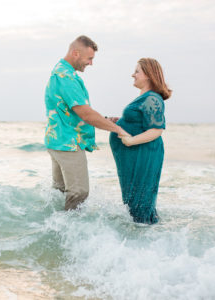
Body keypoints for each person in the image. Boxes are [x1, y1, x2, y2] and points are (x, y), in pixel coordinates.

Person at [44, 35, 129, 211]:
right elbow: (85, 114)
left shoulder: (62, 73)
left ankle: (54, 231)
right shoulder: (65, 77)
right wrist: (118, 130)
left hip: (58, 140)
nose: (91, 63)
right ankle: (71, 234)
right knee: (79, 193)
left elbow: (71, 112)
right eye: (89, 58)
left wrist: (104, 120)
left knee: (60, 193)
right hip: (68, 143)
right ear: (75, 53)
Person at [109, 58, 172, 224]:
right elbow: (141, 123)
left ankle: (145, 244)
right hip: (135, 157)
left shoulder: (152, 98)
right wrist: (121, 122)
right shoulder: (145, 98)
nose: (133, 75)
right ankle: (142, 240)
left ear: (149, 75)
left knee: (140, 205)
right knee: (135, 204)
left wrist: (130, 140)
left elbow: (156, 130)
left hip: (143, 156)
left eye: (137, 71)